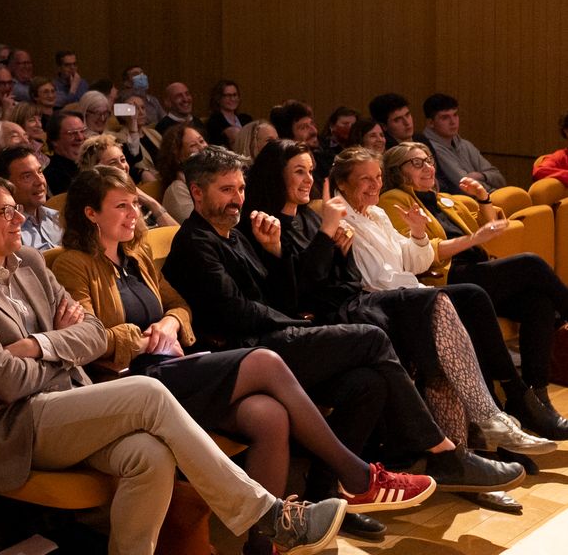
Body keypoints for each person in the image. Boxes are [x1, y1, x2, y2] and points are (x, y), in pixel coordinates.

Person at [0, 174, 349, 555]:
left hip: (71, 400)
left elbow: (94, 333)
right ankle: (269, 516)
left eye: (16, 208)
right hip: (15, 425)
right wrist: (64, 350)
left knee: (150, 455)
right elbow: (3, 380)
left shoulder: (31, 263)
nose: (19, 218)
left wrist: (39, 345)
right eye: (4, 212)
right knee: (149, 392)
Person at [51, 167, 435, 546]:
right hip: (129, 383)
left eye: (135, 204)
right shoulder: (73, 264)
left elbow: (179, 305)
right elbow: (90, 339)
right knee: (265, 360)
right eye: (121, 206)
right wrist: (143, 338)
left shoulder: (136, 255)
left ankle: (263, 545)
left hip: (170, 367)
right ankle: (358, 475)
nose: (133, 214)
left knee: (269, 415)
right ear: (91, 213)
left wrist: (169, 323)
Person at [162, 146, 525, 498]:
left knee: (367, 383)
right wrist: (298, 322)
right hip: (243, 356)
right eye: (226, 190)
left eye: (241, 188)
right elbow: (236, 314)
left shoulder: (240, 234)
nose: (238, 199)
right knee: (372, 337)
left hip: (272, 338)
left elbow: (282, 297)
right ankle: (440, 451)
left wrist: (274, 254)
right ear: (197, 192)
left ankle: (327, 489)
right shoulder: (194, 243)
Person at [242, 141, 555, 461]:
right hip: (357, 306)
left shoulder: (320, 217)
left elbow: (346, 277)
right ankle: (479, 431)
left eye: (310, 171)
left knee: (470, 306)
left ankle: (474, 440)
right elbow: (309, 289)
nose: (308, 179)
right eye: (299, 171)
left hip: (370, 299)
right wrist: (328, 236)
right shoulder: (298, 220)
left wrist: (409, 236)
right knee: (447, 304)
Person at [329, 147, 565, 446]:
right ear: (343, 183)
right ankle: (506, 404)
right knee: (495, 283)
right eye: (365, 179)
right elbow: (380, 278)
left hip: (419, 288)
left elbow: (417, 258)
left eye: (377, 177)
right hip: (395, 296)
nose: (375, 184)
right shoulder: (350, 215)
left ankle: (526, 400)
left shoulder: (382, 212)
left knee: (535, 301)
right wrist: (436, 256)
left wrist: (418, 233)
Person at [76, 135, 176, 227]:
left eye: (123, 160)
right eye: (113, 163)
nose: (122, 166)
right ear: (96, 170)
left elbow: (175, 234)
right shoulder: (99, 208)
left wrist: (152, 203)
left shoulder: (140, 199)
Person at [419, 94, 504, 193]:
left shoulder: (465, 144)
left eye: (455, 115)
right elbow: (466, 186)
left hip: (489, 195)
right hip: (470, 200)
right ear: (431, 123)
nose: (453, 122)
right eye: (445, 118)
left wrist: (480, 175)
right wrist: (490, 188)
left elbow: (500, 179)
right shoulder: (430, 149)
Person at [0, 145, 63, 250]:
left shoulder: (58, 218)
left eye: (40, 172)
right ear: (5, 186)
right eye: (27, 176)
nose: (40, 181)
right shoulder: (4, 233)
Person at [156, 124, 207, 223]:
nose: (202, 147)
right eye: (193, 145)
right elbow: (198, 227)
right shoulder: (177, 190)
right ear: (178, 157)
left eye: (201, 141)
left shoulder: (212, 179)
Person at [43, 112, 87, 197]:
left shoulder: (93, 164)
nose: (80, 137)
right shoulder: (53, 176)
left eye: (82, 131)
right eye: (72, 133)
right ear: (54, 140)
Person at [205, 79, 252, 147]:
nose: (232, 99)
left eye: (235, 95)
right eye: (228, 95)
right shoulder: (214, 122)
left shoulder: (246, 119)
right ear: (218, 98)